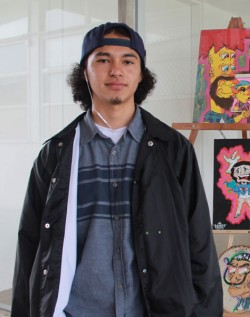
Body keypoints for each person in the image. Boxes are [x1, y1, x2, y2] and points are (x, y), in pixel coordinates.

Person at [11, 22, 223, 317]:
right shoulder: (55, 155)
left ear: (141, 75)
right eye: (102, 60)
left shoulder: (172, 150)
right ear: (85, 72)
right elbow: (30, 247)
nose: (116, 70)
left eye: (127, 60)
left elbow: (199, 242)